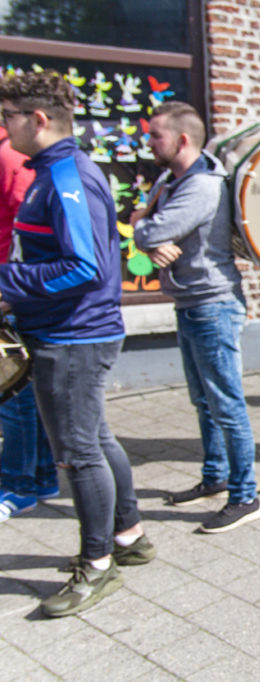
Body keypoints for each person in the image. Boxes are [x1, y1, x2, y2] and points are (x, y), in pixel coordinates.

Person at [0, 71, 154, 617]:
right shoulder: (52, 171)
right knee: (96, 438)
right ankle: (129, 536)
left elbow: (82, 267)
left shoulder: (67, 177)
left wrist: (7, 282)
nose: (4, 127)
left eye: (8, 117)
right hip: (68, 332)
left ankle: (97, 565)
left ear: (38, 120)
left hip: (72, 337)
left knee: (78, 453)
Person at [132, 101, 260, 533]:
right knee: (203, 401)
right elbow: (148, 226)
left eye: (156, 135)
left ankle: (245, 496)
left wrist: (147, 230)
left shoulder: (203, 186)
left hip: (213, 306)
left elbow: (148, 226)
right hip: (190, 303)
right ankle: (215, 477)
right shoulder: (170, 180)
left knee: (226, 404)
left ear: (182, 139)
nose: (149, 142)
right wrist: (150, 234)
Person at [0, 122, 59, 522]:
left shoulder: (8, 157)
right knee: (21, 391)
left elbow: (30, 236)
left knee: (12, 391)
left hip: (11, 291)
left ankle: (19, 485)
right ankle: (41, 476)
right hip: (14, 288)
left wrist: (15, 290)